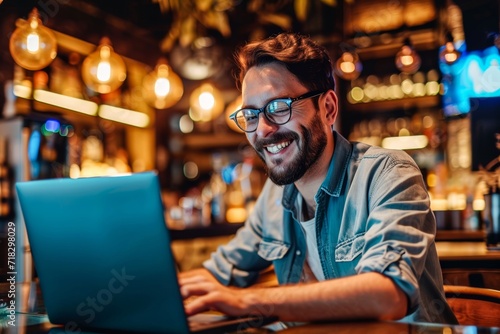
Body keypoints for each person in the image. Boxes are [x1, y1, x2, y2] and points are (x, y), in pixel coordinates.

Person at [179, 32, 458, 325]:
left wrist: (247, 301)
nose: (262, 130)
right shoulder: (275, 196)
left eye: (278, 107)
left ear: (327, 108)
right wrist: (146, 293)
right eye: (251, 114)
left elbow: (387, 294)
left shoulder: (388, 173)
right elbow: (217, 273)